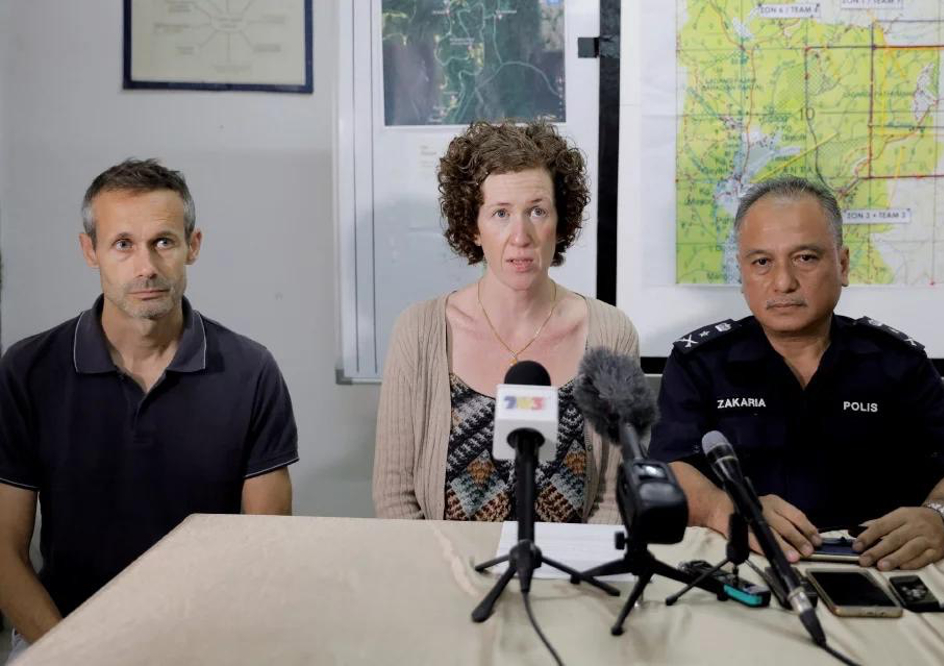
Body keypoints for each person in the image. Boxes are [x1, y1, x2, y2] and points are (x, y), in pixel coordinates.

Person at [0, 159, 299, 656]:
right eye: (123, 244)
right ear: (90, 251)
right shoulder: (27, 371)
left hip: (206, 638)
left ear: (192, 246)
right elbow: (4, 552)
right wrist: (72, 651)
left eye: (163, 242)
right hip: (61, 631)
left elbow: (265, 550)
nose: (146, 267)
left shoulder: (250, 371)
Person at [649, 175, 944, 571]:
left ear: (842, 264)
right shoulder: (699, 363)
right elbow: (671, 468)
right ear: (742, 272)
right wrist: (727, 508)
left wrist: (940, 518)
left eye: (805, 258)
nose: (783, 282)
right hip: (743, 564)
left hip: (878, 567)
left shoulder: (899, 363)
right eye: (762, 262)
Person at [373, 120, 638, 522]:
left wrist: (570, 564)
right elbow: (395, 495)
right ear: (473, 227)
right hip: (445, 561)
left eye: (537, 211)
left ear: (561, 223)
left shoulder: (612, 335)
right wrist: (447, 563)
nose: (521, 235)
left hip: (571, 563)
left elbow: (613, 494)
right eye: (500, 213)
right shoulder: (419, 332)